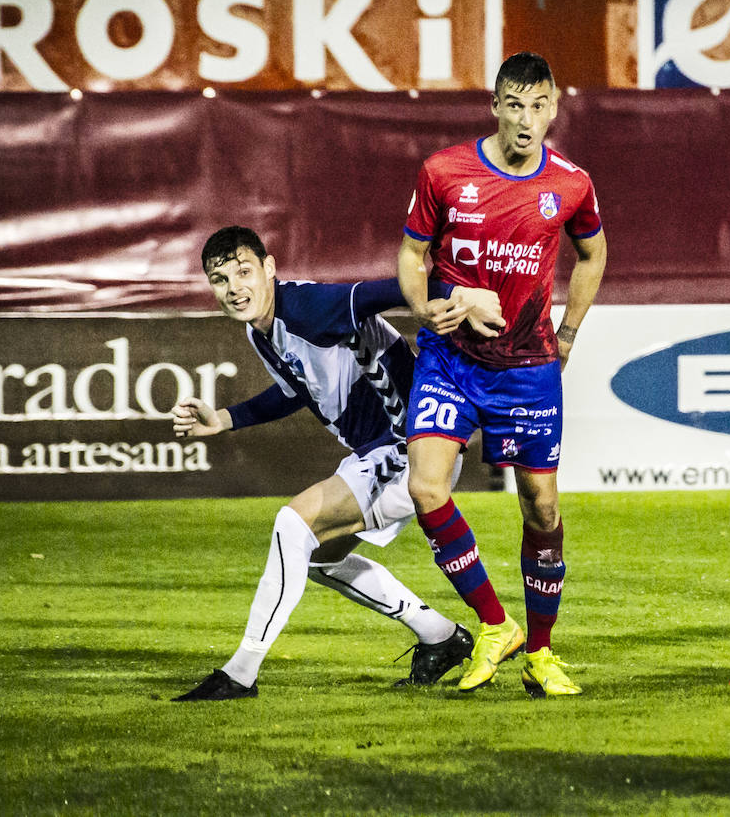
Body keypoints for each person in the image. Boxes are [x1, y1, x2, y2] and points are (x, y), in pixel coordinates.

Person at [171, 225, 502, 701]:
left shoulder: (307, 307)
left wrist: (463, 294)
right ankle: (439, 636)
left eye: (244, 272)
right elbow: (294, 390)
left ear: (269, 268)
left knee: (293, 525)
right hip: (379, 451)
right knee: (318, 558)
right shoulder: (261, 330)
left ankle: (240, 673)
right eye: (220, 280)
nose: (234, 288)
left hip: (411, 445)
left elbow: (395, 288)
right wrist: (224, 418)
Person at [396, 52, 607, 698]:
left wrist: (568, 331)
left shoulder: (571, 183)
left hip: (527, 368)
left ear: (553, 108)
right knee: (425, 488)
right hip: (452, 360)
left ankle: (540, 654)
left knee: (541, 508)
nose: (526, 119)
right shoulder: (444, 171)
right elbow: (412, 252)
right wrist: (423, 306)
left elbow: (593, 253)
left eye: (538, 105)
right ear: (495, 105)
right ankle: (495, 624)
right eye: (514, 104)